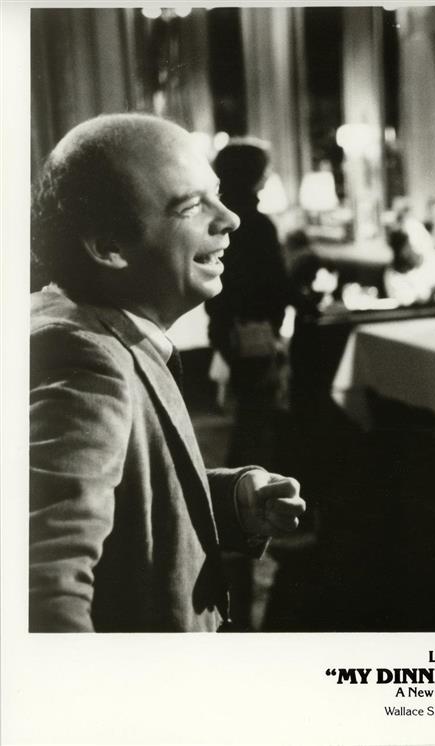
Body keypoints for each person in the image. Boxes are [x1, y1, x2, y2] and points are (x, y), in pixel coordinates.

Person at [29, 113, 307, 632]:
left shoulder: (91, 329)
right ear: (109, 246)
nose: (231, 219)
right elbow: (42, 589)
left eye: (216, 194)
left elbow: (130, 505)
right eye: (191, 206)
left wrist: (231, 502)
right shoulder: (83, 361)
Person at [205, 138, 292, 470]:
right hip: (253, 330)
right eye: (263, 171)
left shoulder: (216, 219)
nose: (267, 177)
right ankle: (246, 486)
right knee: (257, 415)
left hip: (227, 325)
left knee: (249, 410)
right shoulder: (256, 223)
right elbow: (276, 282)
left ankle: (239, 481)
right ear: (253, 176)